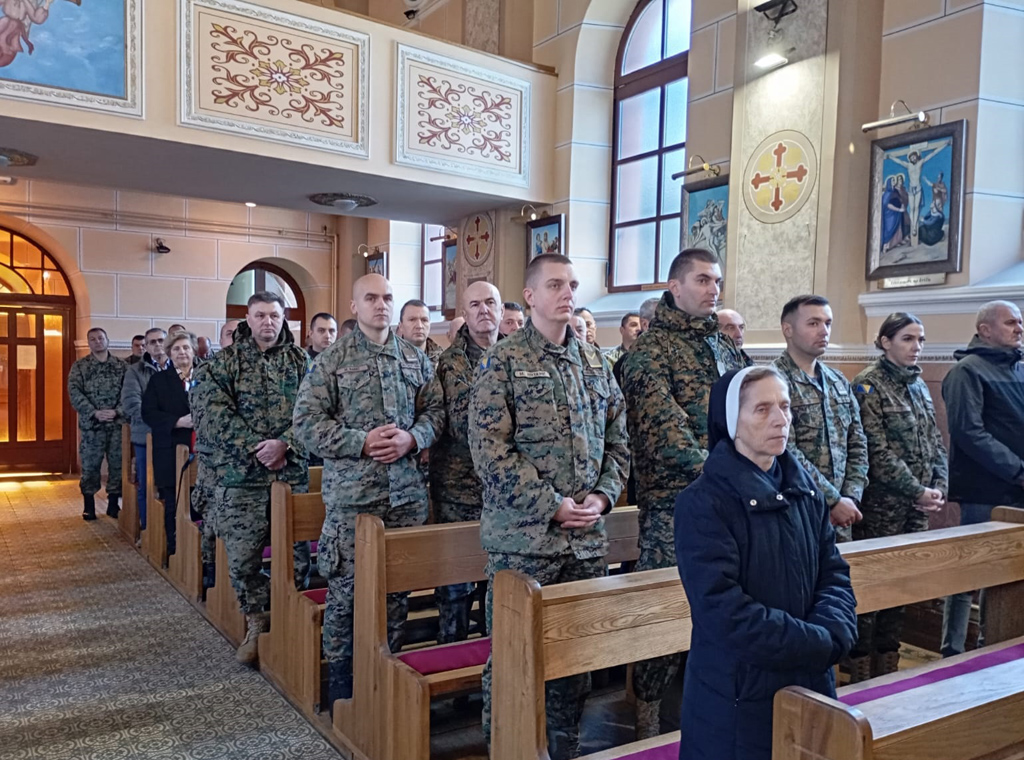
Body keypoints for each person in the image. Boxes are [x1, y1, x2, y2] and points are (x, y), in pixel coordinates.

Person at [469, 254, 629, 760]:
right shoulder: (503, 361)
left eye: (573, 284)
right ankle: (506, 749)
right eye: (555, 284)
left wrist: (603, 496)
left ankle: (563, 748)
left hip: (585, 540)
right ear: (531, 295)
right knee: (513, 659)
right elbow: (490, 450)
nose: (568, 293)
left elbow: (618, 442)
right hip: (525, 542)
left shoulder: (595, 362)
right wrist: (552, 505)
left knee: (574, 661)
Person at [675, 366, 857, 760]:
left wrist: (833, 631)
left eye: (785, 406)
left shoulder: (805, 490)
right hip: (739, 695)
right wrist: (816, 643)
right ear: (732, 422)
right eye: (762, 409)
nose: (780, 419)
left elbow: (833, 574)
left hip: (811, 679)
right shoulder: (704, 502)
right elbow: (723, 610)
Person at [292, 274, 444, 707]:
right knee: (346, 596)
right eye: (371, 298)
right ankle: (342, 690)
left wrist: (413, 438)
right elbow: (305, 424)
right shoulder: (333, 360)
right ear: (354, 306)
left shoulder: (415, 358)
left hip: (406, 498)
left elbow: (436, 411)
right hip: (354, 502)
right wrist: (360, 441)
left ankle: (382, 683)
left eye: (388, 297)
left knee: (396, 594)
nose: (381, 305)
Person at [619, 248, 747, 739]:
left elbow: (753, 409)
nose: (713, 289)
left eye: (716, 280)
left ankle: (718, 705)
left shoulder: (725, 346)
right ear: (675, 287)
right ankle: (647, 715)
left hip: (734, 499)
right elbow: (664, 433)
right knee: (666, 611)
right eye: (702, 280)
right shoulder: (650, 351)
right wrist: (733, 473)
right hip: (676, 505)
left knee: (729, 604)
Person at [201, 292, 310, 665]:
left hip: (289, 474)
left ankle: (290, 624)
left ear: (284, 318)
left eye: (274, 315)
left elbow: (316, 412)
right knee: (243, 559)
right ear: (247, 318)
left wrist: (285, 444)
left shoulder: (302, 362)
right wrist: (256, 447)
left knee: (295, 558)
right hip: (241, 478)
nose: (268, 322)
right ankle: (257, 621)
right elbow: (211, 415)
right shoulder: (224, 363)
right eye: (260, 315)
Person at [848, 313, 948, 680]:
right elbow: (876, 451)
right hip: (882, 507)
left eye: (920, 339)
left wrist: (939, 487)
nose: (916, 347)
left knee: (902, 585)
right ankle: (860, 666)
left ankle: (888, 662)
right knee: (872, 587)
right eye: (908, 338)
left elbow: (934, 441)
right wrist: (916, 490)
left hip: (916, 507)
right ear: (885, 341)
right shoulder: (868, 385)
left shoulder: (918, 385)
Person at [940, 300, 1024, 657]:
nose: (1019, 328)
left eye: (1020, 322)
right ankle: (953, 652)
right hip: (984, 491)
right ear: (985, 330)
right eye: (1010, 322)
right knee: (969, 573)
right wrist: (1018, 470)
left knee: (1006, 574)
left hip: (1016, 491)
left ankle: (992, 649)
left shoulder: (1019, 369)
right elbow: (968, 432)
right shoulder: (967, 371)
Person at [429, 281, 503, 643]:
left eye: (490, 303)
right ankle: (450, 656)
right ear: (464, 313)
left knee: (500, 582)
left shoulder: (519, 355)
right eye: (475, 305)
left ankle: (494, 656)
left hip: (505, 491)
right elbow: (462, 423)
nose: (483, 310)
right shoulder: (451, 363)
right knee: (456, 586)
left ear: (501, 310)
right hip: (459, 489)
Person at [773, 295, 868, 543]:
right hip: (797, 508)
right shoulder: (772, 381)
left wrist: (850, 497)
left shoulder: (838, 380)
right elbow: (785, 451)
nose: (824, 331)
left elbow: (858, 441)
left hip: (843, 514)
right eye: (813, 323)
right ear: (788, 329)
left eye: (828, 323)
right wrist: (832, 499)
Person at [142, 331, 198, 558]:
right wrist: (177, 421)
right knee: (174, 503)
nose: (182, 352)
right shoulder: (159, 381)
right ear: (169, 353)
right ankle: (175, 553)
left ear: (193, 351)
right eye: (176, 349)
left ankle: (199, 554)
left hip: (203, 450)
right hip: (171, 449)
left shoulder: (206, 377)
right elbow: (148, 413)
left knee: (199, 503)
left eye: (186, 347)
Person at [68, 328, 127, 521]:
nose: (97, 341)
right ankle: (89, 505)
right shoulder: (80, 367)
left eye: (101, 338)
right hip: (92, 426)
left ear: (107, 340)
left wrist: (117, 411)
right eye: (92, 339)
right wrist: (94, 412)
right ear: (88, 343)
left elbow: (129, 393)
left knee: (118, 465)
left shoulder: (122, 366)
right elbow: (74, 392)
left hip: (117, 425)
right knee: (90, 466)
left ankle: (113, 504)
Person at [121, 328, 171, 531]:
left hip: (174, 435)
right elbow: (132, 404)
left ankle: (171, 531)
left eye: (161, 340)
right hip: (146, 435)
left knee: (173, 485)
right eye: (152, 342)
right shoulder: (135, 371)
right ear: (146, 347)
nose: (157, 345)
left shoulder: (179, 366)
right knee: (147, 484)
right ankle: (147, 529)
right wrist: (164, 421)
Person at [396, 299, 441, 364]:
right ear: (401, 326)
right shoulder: (390, 357)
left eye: (424, 320)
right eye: (412, 320)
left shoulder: (442, 358)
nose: (419, 326)